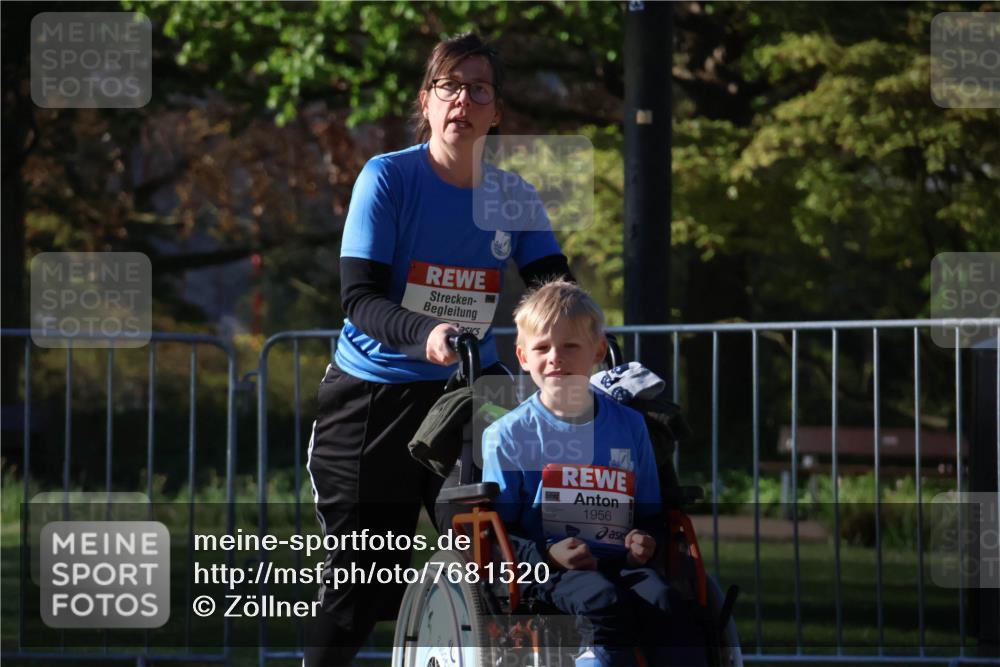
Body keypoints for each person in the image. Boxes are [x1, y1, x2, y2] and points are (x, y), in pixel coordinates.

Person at [305, 32, 574, 666]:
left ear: (496, 112)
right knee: (364, 586)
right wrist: (423, 334)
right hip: (373, 398)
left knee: (504, 561)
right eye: (449, 86)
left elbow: (555, 296)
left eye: (479, 89)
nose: (464, 100)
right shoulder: (388, 178)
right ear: (426, 102)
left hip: (470, 396)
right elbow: (359, 299)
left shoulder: (514, 196)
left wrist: (589, 346)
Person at [481, 281, 706, 667]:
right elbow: (499, 533)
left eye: (570, 346)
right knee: (601, 599)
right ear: (522, 356)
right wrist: (549, 554)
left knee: (668, 603)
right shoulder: (507, 434)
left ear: (598, 352)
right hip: (547, 568)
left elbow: (650, 513)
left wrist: (645, 539)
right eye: (541, 348)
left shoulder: (631, 426)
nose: (556, 358)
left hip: (623, 561)